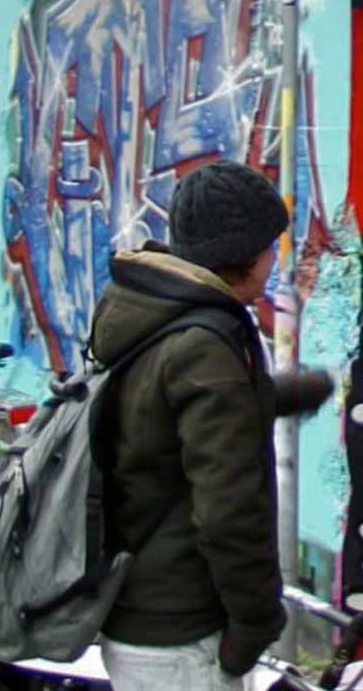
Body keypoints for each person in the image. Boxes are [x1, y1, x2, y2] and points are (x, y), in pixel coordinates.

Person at [90, 162, 320, 691]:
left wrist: (279, 395)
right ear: (247, 255)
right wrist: (256, 625)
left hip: (139, 612)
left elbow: (159, 420)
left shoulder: (153, 311)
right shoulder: (204, 347)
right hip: (182, 636)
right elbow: (229, 510)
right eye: (271, 247)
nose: (275, 260)